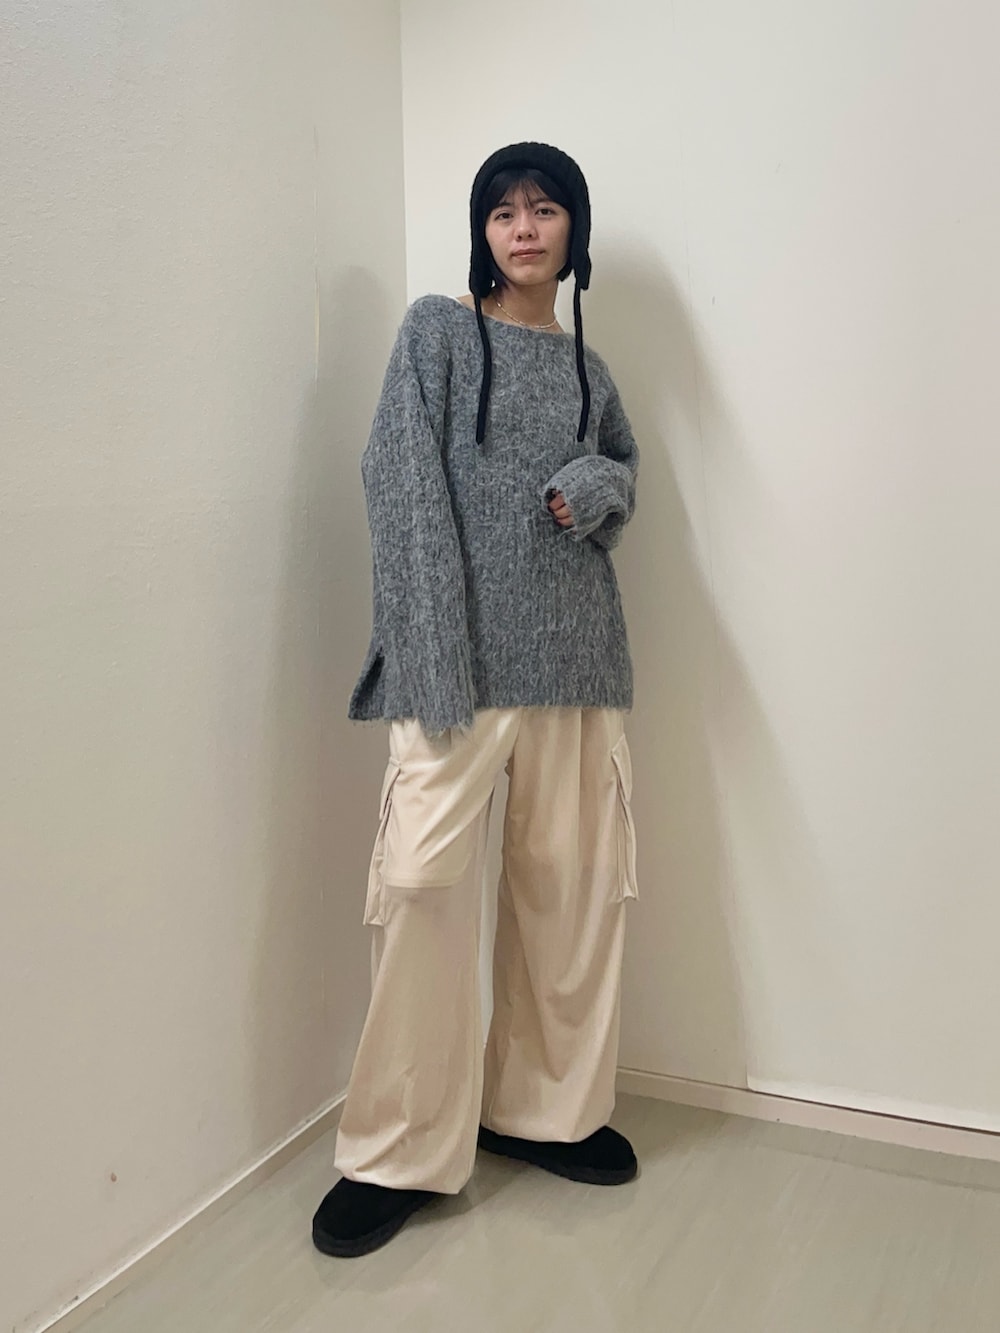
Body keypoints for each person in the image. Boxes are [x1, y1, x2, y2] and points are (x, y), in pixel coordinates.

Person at [312, 142, 641, 1259]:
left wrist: (597, 484)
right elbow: (398, 481)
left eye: (545, 209)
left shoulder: (592, 370)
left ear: (573, 230)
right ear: (481, 232)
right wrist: (431, 655)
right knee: (421, 891)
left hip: (577, 663)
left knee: (572, 898)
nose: (524, 228)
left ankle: (543, 1113)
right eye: (504, 211)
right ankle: (396, 1151)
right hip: (457, 672)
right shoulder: (438, 334)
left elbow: (623, 472)